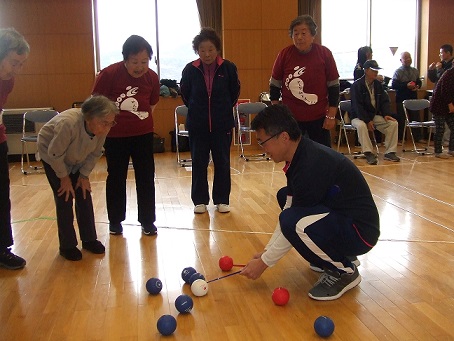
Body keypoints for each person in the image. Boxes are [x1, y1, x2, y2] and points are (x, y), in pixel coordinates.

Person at [239, 104, 379, 301]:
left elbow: (291, 223)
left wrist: (264, 262)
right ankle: (329, 257)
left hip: (360, 233)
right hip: (344, 220)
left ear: (284, 137)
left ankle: (344, 271)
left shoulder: (310, 165)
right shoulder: (299, 156)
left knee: (293, 221)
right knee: (285, 198)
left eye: (264, 142)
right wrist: (267, 251)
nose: (263, 149)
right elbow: (289, 207)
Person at [92, 35, 160, 236]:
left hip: (143, 135)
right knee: (116, 177)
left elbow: (152, 103)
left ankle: (147, 221)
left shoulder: (152, 77)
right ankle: (115, 220)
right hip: (115, 136)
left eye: (144, 62)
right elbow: (96, 103)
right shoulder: (109, 73)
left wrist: (141, 122)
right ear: (125, 60)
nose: (140, 67)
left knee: (146, 177)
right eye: (135, 62)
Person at [37, 96, 119, 261]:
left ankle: (89, 239)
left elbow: (96, 152)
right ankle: (67, 246)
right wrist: (64, 178)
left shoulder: (103, 127)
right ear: (89, 118)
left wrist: (84, 175)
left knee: (83, 193)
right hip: (53, 157)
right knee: (65, 197)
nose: (108, 127)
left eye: (111, 122)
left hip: (76, 157)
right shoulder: (68, 124)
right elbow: (55, 153)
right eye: (104, 122)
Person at [180, 28, 240, 214]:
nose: (207, 54)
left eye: (211, 49)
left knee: (222, 161)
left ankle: (222, 199)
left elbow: (234, 93)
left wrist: (219, 110)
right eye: (202, 49)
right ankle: (199, 200)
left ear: (218, 50)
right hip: (198, 125)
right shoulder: (190, 69)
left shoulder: (228, 68)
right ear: (197, 50)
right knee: (199, 162)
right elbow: (185, 94)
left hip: (222, 124)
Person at [269, 15, 339, 148]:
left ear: (313, 35)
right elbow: (274, 85)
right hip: (291, 118)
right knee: (293, 156)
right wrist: (277, 114)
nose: (299, 37)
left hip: (319, 117)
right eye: (295, 33)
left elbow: (334, 86)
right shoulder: (284, 54)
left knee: (322, 157)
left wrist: (331, 116)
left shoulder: (325, 54)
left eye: (303, 33)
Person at [0, 28, 29, 270]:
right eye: (13, 63)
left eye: (21, 64)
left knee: (1, 197)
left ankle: (2, 248)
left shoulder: (8, 80)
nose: (16, 70)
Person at [350, 60, 400, 165]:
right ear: (366, 70)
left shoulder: (378, 85)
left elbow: (384, 101)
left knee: (393, 124)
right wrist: (367, 120)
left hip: (373, 116)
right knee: (361, 125)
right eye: (373, 70)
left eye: (377, 70)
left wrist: (386, 114)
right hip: (357, 117)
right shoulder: (356, 85)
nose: (376, 73)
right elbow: (357, 106)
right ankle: (368, 152)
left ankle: (390, 152)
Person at [392, 51, 422, 141]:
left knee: (415, 118)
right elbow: (394, 85)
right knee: (401, 119)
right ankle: (401, 139)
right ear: (401, 60)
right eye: (405, 58)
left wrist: (417, 86)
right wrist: (406, 85)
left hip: (413, 97)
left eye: (409, 57)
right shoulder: (398, 71)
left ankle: (418, 138)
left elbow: (418, 81)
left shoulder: (415, 70)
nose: (408, 59)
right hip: (401, 98)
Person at [428, 44, 453, 145]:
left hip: (449, 97)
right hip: (439, 97)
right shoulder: (441, 64)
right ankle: (440, 146)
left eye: (442, 53)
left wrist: (439, 69)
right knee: (441, 125)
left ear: (448, 53)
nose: (440, 55)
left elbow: (446, 79)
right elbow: (435, 79)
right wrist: (431, 70)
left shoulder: (451, 65)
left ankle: (448, 144)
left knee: (449, 123)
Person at [429, 67, 454, 158]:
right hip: (439, 104)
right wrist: (450, 104)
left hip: (449, 104)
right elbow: (445, 90)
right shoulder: (449, 74)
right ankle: (438, 151)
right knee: (440, 128)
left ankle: (452, 149)